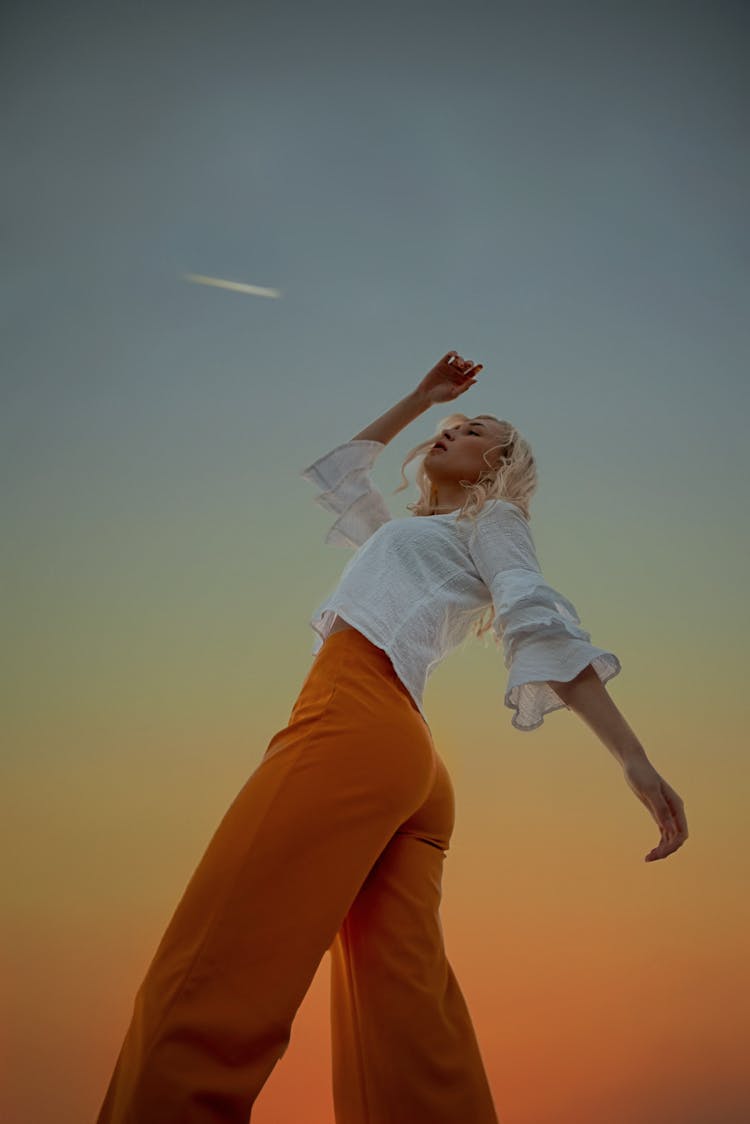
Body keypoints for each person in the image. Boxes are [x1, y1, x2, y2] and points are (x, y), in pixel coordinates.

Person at [96, 350, 688, 1124]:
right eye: (454, 423)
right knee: (403, 1021)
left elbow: (535, 617)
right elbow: (338, 476)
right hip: (400, 754)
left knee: (220, 954)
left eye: (475, 430)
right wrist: (421, 398)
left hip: (358, 723)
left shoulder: (491, 519)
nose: (454, 430)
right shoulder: (407, 533)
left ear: (496, 466)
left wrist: (634, 761)